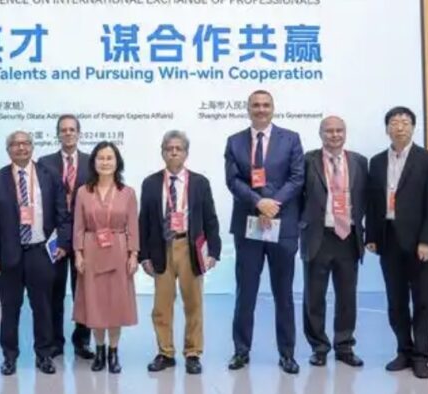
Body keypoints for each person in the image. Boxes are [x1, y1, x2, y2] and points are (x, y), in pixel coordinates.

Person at [225, 90, 305, 374]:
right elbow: (233, 180)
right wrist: (258, 202)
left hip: (283, 226)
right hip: (249, 226)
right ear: (248, 109)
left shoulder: (291, 139)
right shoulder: (234, 141)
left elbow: (297, 177)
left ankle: (287, 353)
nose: (261, 109)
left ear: (273, 108)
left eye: (265, 105)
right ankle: (241, 351)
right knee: (245, 292)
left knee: (283, 293)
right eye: (255, 105)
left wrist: (273, 203)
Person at [365, 106, 428, 379]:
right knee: (396, 300)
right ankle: (403, 350)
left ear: (413, 127)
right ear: (387, 128)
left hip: (418, 242)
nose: (399, 127)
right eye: (394, 122)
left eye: (405, 122)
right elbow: (373, 201)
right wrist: (371, 235)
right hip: (388, 239)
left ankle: (421, 356)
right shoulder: (377, 162)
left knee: (422, 300)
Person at [0, 130, 71, 376]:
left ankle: (44, 355)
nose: (21, 148)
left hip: (40, 252)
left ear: (32, 147)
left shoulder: (49, 175)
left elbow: (62, 214)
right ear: (8, 150)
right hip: (8, 255)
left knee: (43, 307)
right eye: (15, 144)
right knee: (10, 308)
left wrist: (62, 243)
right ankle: (9, 356)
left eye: (25, 143)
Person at [139, 130, 221, 375]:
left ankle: (193, 353)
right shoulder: (150, 183)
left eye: (178, 148)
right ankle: (165, 352)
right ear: (162, 153)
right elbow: (144, 222)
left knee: (193, 303)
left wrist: (214, 251)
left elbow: (210, 219)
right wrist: (143, 255)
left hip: (189, 247)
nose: (173, 152)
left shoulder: (200, 183)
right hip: (161, 248)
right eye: (169, 148)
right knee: (161, 306)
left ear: (186, 153)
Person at [300, 116, 368, 368]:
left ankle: (344, 346)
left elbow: (366, 198)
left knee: (347, 296)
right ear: (321, 134)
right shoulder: (307, 160)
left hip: (348, 237)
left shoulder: (359, 161)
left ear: (345, 133)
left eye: (339, 130)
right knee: (314, 296)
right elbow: (297, 195)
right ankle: (319, 347)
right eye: (329, 131)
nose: (334, 135)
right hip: (318, 236)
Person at [72, 141, 139, 374]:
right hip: (91, 252)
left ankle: (113, 352)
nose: (105, 162)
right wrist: (78, 253)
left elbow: (133, 227)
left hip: (119, 252)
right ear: (93, 162)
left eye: (110, 158)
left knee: (115, 304)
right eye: (100, 158)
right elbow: (78, 227)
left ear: (117, 162)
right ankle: (99, 350)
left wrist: (134, 254)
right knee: (95, 303)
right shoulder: (83, 192)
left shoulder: (127, 193)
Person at [37, 114, 94, 360]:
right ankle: (54, 341)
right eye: (63, 130)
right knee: (54, 291)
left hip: (85, 236)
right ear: (57, 134)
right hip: (55, 237)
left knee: (84, 291)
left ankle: (82, 341)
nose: (68, 133)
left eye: (72, 129)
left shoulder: (92, 162)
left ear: (79, 133)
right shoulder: (45, 163)